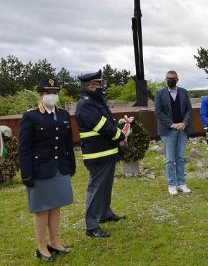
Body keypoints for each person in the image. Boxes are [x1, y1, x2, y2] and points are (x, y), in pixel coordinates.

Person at [18, 79, 75, 261]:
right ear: (41, 95)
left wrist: (71, 165)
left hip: (59, 168)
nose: (52, 96)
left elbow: (68, 143)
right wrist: (26, 173)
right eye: (48, 92)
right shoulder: (31, 116)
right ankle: (41, 247)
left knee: (56, 206)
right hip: (40, 169)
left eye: (55, 92)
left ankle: (55, 242)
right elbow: (24, 148)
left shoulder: (64, 114)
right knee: (42, 209)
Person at [76, 70, 127, 238]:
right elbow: (101, 125)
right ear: (90, 85)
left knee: (105, 187)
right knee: (96, 189)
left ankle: (105, 213)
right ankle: (91, 226)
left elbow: (108, 122)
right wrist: (120, 135)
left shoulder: (97, 100)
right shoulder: (86, 103)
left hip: (107, 152)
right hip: (97, 154)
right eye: (99, 83)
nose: (101, 86)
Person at [154, 70, 193, 195]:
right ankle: (171, 184)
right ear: (166, 79)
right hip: (168, 130)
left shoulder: (183, 92)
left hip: (182, 129)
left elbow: (188, 109)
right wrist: (172, 124)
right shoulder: (160, 94)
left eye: (173, 78)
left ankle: (181, 183)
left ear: (177, 79)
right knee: (169, 159)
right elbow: (159, 112)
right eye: (169, 78)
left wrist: (184, 123)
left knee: (180, 158)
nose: (171, 80)